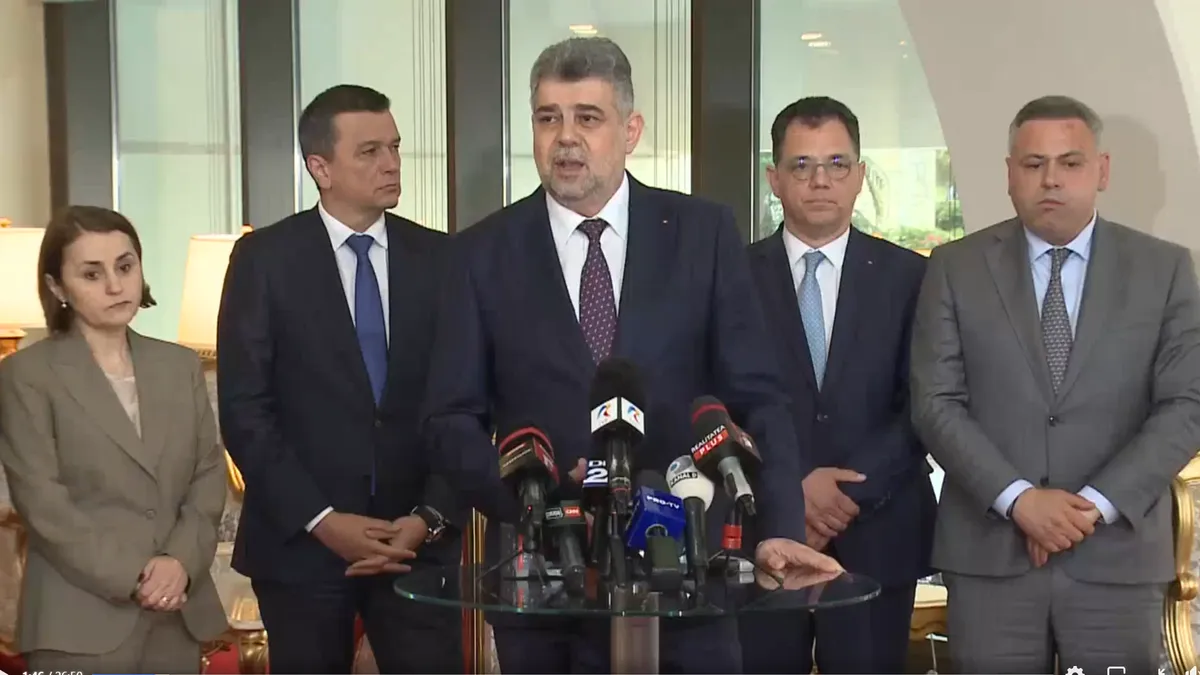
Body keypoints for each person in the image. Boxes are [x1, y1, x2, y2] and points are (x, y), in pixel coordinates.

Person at [422, 37, 840, 674]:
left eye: (587, 118)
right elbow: (449, 419)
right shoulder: (481, 253)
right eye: (548, 118)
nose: (566, 138)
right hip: (543, 585)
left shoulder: (702, 233)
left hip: (688, 576)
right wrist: (534, 504)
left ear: (631, 130)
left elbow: (759, 397)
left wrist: (779, 525)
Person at [910, 94, 1200, 674]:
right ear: (1009, 174)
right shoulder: (955, 267)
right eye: (1033, 163)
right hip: (991, 559)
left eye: (1070, 163)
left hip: (1117, 556)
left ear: (1102, 170)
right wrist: (1019, 500)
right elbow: (936, 402)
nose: (1051, 179)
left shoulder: (1164, 269)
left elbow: (1185, 405)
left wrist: (1090, 508)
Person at [217, 84, 462, 674]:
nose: (391, 163)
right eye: (370, 151)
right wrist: (324, 522)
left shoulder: (442, 259)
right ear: (320, 167)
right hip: (302, 550)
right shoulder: (264, 261)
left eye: (395, 147)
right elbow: (246, 412)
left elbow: (465, 403)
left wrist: (427, 518)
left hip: (415, 547)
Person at [740, 96, 936, 674]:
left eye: (836, 164)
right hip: (765, 535)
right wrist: (791, 491)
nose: (820, 180)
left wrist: (841, 497)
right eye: (801, 165)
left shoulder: (913, 276)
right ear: (774, 179)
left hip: (879, 533)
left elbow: (926, 403)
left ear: (860, 175)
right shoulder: (732, 276)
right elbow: (720, 399)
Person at [0, 206, 228, 672]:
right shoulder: (26, 375)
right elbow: (43, 504)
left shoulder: (180, 367)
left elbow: (207, 479)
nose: (115, 285)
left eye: (125, 266)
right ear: (57, 287)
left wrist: (179, 562)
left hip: (177, 614)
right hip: (76, 623)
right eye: (92, 273)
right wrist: (137, 575)